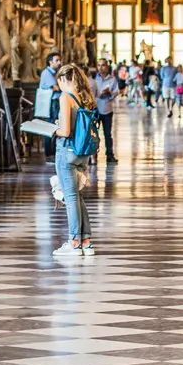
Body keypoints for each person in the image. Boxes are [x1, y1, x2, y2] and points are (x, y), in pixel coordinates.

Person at [52, 61, 98, 257]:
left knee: (70, 198)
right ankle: (86, 242)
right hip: (82, 153)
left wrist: (54, 129)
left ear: (63, 79)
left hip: (67, 151)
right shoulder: (84, 97)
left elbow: (65, 131)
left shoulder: (66, 97)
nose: (59, 85)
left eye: (59, 81)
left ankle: (74, 242)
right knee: (77, 197)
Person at [91, 59, 120, 163]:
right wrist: (97, 95)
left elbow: (116, 92)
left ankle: (110, 155)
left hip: (107, 109)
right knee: (93, 133)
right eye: (98, 65)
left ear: (107, 67)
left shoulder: (112, 79)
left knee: (107, 134)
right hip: (95, 109)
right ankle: (92, 156)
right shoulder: (93, 79)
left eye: (103, 65)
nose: (100, 67)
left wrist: (110, 93)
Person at [36, 50, 61, 158]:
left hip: (54, 101)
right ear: (50, 62)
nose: (59, 62)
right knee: (51, 125)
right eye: (57, 60)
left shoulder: (54, 73)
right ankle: (49, 152)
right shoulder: (47, 73)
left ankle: (51, 151)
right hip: (52, 103)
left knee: (53, 125)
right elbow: (57, 87)